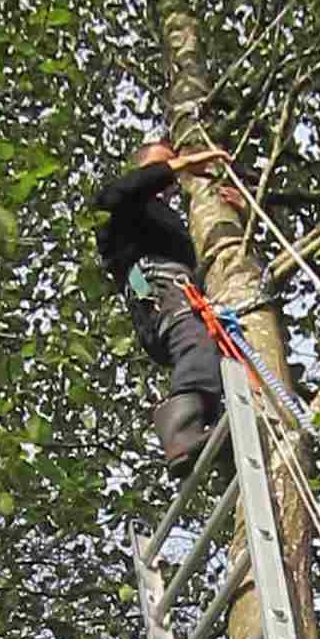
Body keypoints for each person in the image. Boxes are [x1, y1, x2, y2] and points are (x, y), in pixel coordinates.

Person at [94, 139, 244, 475]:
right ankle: (180, 431)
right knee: (196, 345)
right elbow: (114, 195)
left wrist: (242, 219)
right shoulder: (126, 207)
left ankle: (211, 435)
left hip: (170, 291)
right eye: (165, 165)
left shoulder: (164, 221)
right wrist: (185, 164)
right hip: (159, 289)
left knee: (214, 357)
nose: (175, 174)